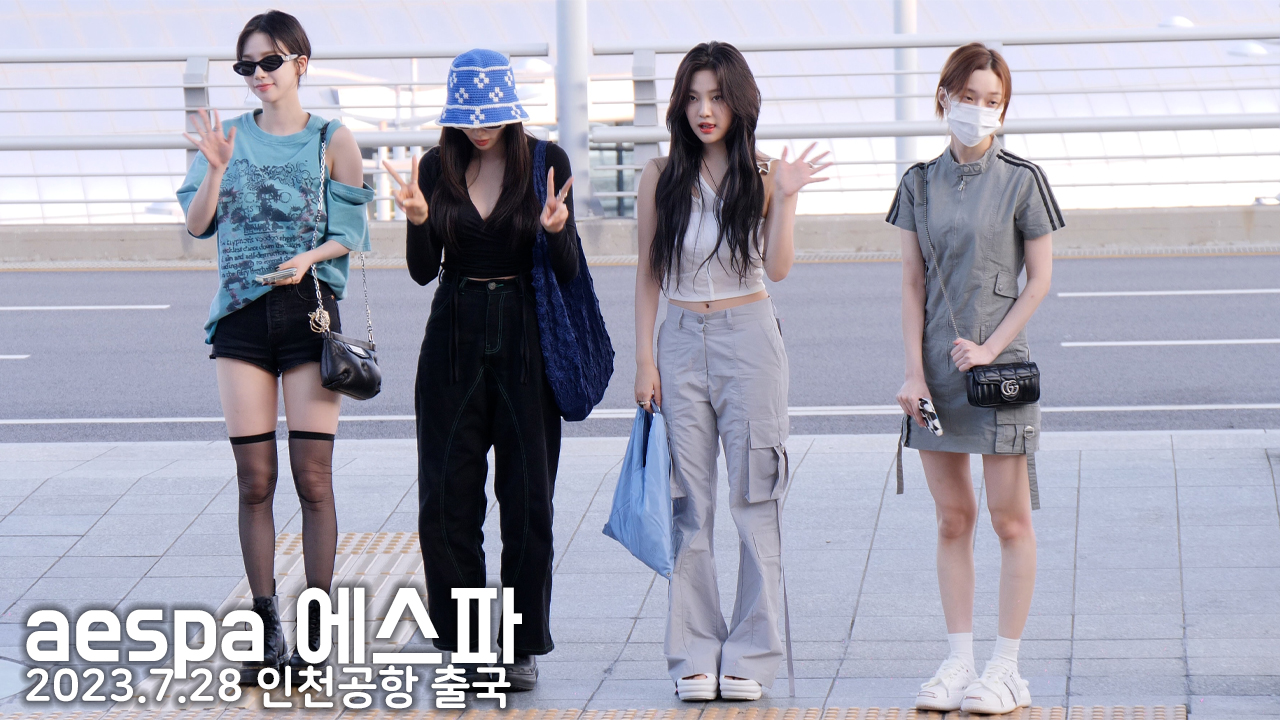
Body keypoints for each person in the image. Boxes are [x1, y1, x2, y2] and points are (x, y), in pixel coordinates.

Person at [176, 10, 373, 682]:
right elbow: (197, 225)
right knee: (254, 480)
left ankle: (315, 638)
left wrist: (306, 259)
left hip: (308, 312)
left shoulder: (331, 139)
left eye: (270, 62)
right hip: (240, 320)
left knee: (313, 479)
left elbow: (352, 234)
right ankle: (267, 636)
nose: (258, 75)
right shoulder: (227, 137)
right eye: (247, 66)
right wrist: (214, 171)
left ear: (300, 64)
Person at [633, 41, 829, 702]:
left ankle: (751, 654)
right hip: (679, 339)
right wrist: (644, 360)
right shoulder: (660, 174)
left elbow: (778, 269)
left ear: (739, 101)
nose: (704, 110)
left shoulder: (765, 172)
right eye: (693, 97)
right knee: (687, 504)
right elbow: (648, 274)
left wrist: (788, 198)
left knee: (755, 498)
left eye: (717, 96)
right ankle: (693, 652)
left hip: (750, 336)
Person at [384, 48, 577, 692]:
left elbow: (568, 273)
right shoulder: (435, 166)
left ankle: (518, 646)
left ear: (512, 112)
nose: (481, 128)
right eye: (468, 117)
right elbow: (422, 271)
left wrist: (557, 232)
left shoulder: (547, 162)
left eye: (491, 117)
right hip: (453, 334)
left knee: (528, 500)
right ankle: (466, 644)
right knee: (447, 500)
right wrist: (417, 221)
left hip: (525, 338)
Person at [887, 42, 1064, 715]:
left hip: (1001, 374)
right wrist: (913, 373)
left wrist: (989, 349)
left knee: (1009, 520)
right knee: (952, 518)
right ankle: (958, 663)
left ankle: (1007, 669)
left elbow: (1039, 280)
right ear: (944, 98)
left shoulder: (1023, 180)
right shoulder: (917, 183)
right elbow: (912, 284)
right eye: (969, 97)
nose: (980, 110)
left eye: (994, 101)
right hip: (936, 375)